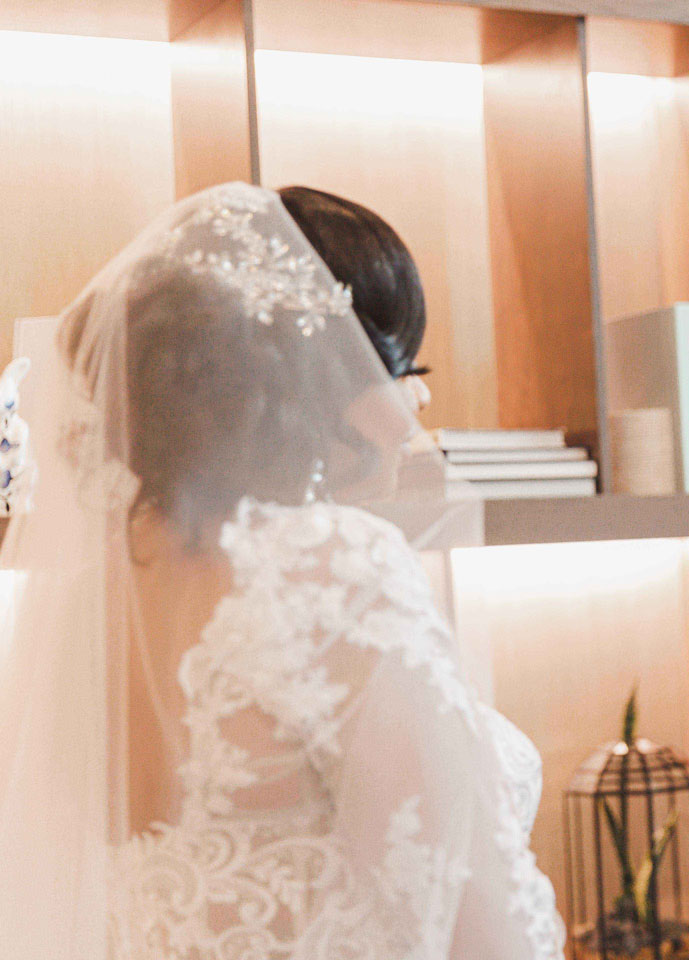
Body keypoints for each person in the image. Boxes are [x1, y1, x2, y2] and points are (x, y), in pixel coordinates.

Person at [0, 182, 562, 958]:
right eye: (388, 367)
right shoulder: (326, 571)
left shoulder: (88, 596)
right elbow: (482, 932)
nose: (413, 410)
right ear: (304, 372)